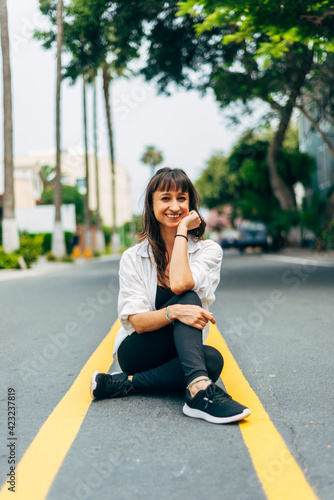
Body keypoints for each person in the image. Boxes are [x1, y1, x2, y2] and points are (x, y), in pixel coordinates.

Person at [90, 167, 250, 424]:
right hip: (138, 351)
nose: (175, 206)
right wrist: (173, 311)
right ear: (151, 205)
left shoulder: (209, 251)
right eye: (165, 198)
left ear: (191, 205)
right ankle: (199, 391)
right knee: (187, 299)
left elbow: (180, 280)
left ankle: (124, 384)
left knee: (212, 360)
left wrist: (181, 234)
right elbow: (139, 322)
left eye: (182, 199)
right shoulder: (133, 257)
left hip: (181, 354)